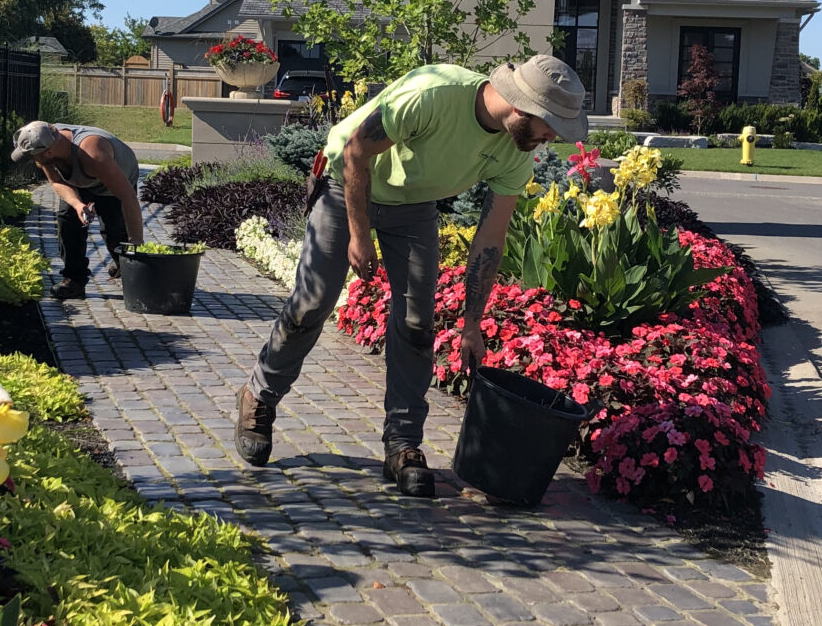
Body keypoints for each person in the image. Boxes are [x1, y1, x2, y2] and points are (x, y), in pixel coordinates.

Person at [234, 53, 588, 496]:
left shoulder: (516, 152)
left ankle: (402, 443)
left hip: (413, 204)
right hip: (348, 182)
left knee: (418, 322)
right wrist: (359, 236)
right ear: (522, 106)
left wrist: (473, 324)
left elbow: (490, 239)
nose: (551, 137)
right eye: (549, 124)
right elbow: (356, 151)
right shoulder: (434, 95)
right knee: (314, 300)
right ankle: (258, 399)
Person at [11, 119, 144, 300]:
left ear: (49, 152)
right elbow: (57, 181)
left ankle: (128, 267)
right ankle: (74, 280)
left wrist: (136, 241)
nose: (32, 160)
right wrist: (77, 204)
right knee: (67, 219)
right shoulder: (44, 142)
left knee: (114, 230)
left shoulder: (93, 153)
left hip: (114, 178)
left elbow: (128, 197)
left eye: (31, 156)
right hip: (79, 180)